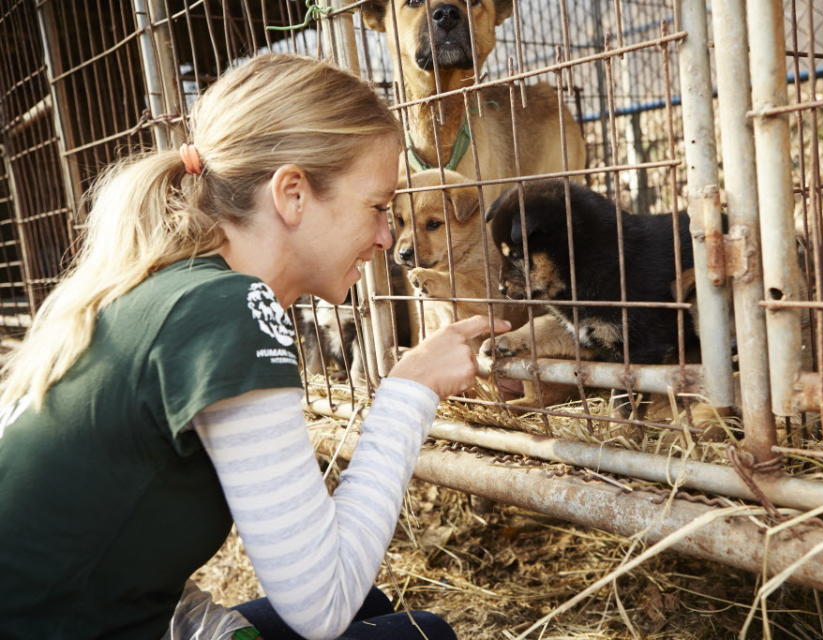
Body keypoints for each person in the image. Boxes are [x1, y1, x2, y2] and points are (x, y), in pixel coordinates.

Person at [0, 53, 508, 640]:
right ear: (292, 193)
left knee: (374, 603)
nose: (385, 237)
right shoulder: (231, 309)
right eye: (376, 207)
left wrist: (213, 626)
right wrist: (409, 391)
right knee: (424, 633)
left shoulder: (161, 285)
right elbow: (322, 606)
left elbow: (96, 552)